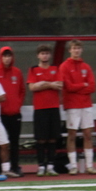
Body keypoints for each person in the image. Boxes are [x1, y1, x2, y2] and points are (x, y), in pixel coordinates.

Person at [60, 39, 96, 174]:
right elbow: (68, 87)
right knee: (72, 135)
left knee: (88, 134)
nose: (76, 50)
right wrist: (83, 85)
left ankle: (89, 165)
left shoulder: (86, 67)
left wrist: (80, 87)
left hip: (86, 105)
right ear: (70, 50)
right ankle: (73, 166)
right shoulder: (64, 66)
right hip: (72, 105)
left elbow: (93, 86)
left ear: (81, 50)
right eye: (74, 48)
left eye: (78, 48)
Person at [27, 44, 63, 177]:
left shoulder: (55, 68)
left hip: (53, 107)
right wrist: (50, 84)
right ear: (38, 55)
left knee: (53, 139)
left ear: (50, 55)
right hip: (40, 108)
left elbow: (59, 85)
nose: (45, 55)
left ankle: (51, 166)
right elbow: (32, 87)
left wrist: (43, 83)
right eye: (42, 53)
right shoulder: (33, 69)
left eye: (47, 53)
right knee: (41, 139)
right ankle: (41, 165)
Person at [0, 46, 26, 176]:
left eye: (9, 56)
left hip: (15, 113)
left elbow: (22, 91)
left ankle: (14, 167)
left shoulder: (17, 72)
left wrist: (17, 105)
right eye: (4, 56)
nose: (7, 59)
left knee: (14, 143)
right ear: (0, 57)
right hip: (0, 115)